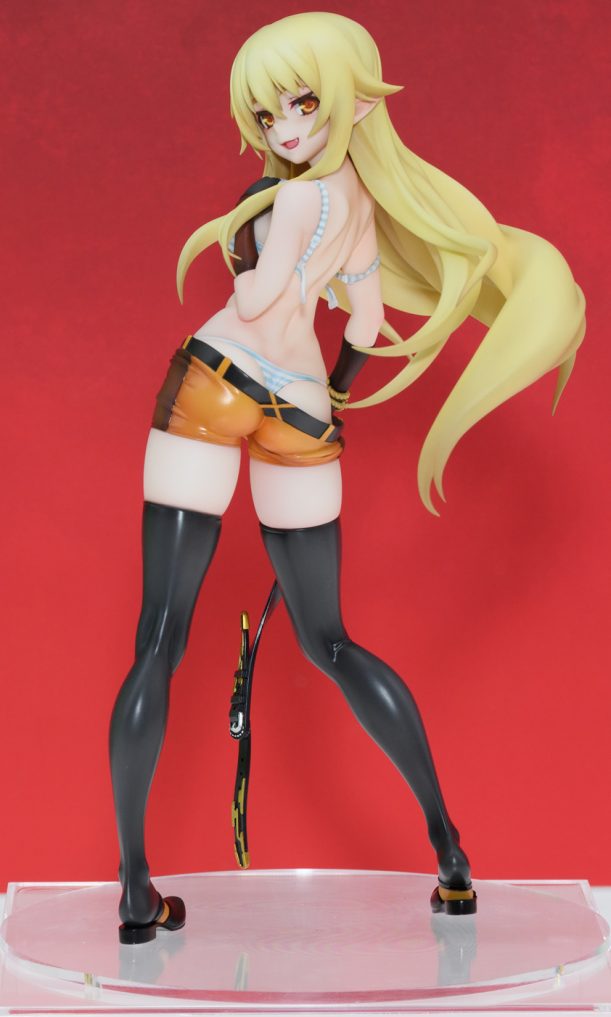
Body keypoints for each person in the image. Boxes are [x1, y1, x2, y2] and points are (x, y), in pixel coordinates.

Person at [109, 11, 585, 943]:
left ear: (356, 101)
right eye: (267, 114)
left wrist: (245, 236)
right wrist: (328, 393)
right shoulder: (363, 209)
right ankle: (449, 853)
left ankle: (134, 888)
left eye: (301, 104)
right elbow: (363, 329)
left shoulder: (288, 200)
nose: (284, 129)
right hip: (301, 408)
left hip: (215, 382)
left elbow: (255, 299)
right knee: (329, 642)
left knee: (160, 637)